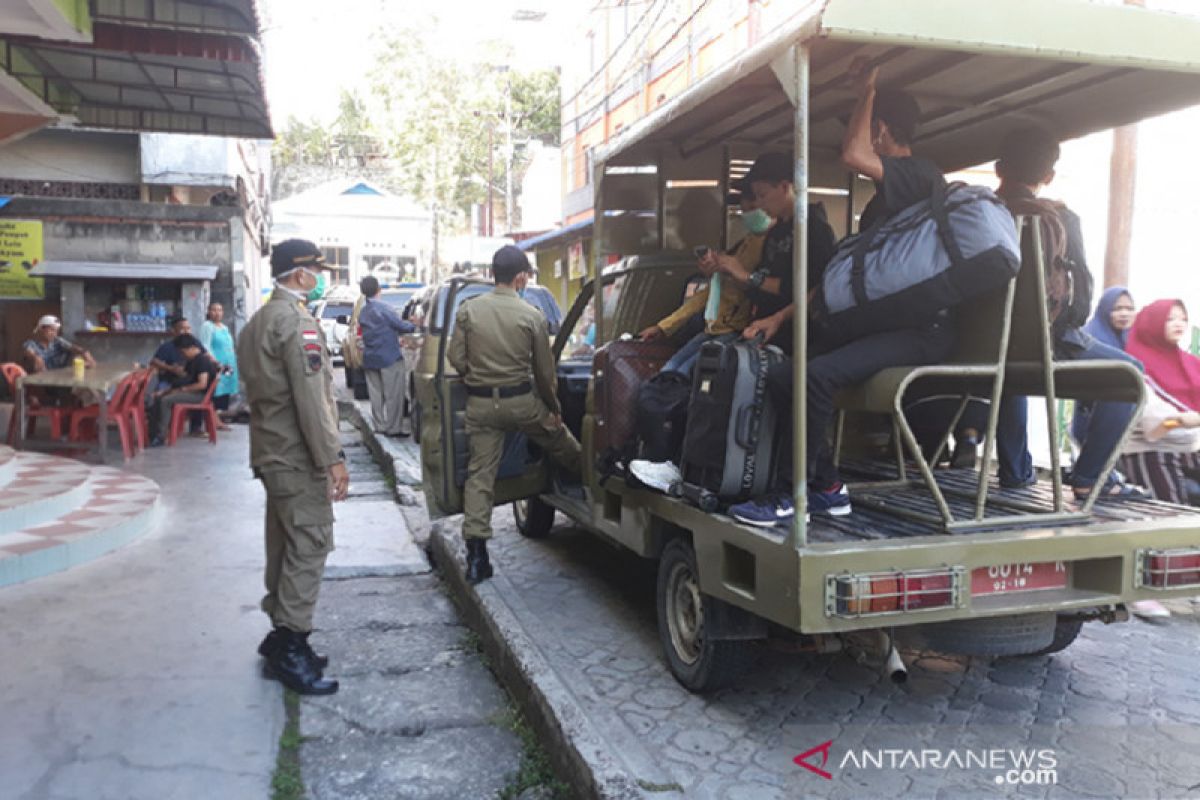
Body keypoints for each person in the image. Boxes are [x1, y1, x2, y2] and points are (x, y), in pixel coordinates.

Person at [730, 65, 953, 526]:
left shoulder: (921, 176)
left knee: (815, 377)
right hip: (886, 325)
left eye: (869, 126)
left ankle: (799, 493)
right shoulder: (880, 205)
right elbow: (840, 280)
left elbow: (853, 153)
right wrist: (782, 317)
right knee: (783, 374)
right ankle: (830, 486)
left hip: (920, 331)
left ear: (881, 130)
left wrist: (867, 89)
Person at [990, 128, 1144, 500]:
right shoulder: (1058, 218)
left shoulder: (979, 212)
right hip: (1043, 345)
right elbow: (1079, 298)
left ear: (998, 168)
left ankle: (1015, 471)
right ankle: (1091, 475)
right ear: (1048, 176)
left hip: (982, 348)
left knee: (1008, 367)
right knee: (1130, 374)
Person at [237, 238, 349, 695]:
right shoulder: (296, 322)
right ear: (300, 274)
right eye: (316, 271)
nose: (319, 277)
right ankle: (291, 643)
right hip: (298, 455)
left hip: (270, 450)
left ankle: (281, 637)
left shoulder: (259, 321)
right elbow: (311, 400)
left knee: (285, 541)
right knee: (311, 542)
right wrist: (332, 459)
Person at [448, 245, 582, 584]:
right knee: (562, 442)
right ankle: (588, 484)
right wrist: (554, 410)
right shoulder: (531, 315)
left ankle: (477, 556)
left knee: (480, 476)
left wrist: (472, 376)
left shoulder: (468, 310)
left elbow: (455, 358)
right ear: (521, 277)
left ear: (494, 274)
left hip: (480, 406)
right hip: (522, 404)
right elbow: (544, 373)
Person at [636, 188, 765, 377]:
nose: (748, 215)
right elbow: (706, 295)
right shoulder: (743, 244)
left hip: (736, 330)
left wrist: (733, 271)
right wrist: (663, 327)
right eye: (744, 210)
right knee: (669, 373)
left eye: (753, 208)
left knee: (682, 376)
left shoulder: (770, 246)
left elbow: (755, 288)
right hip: (715, 329)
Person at [1071, 287, 1136, 443]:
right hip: (1091, 425)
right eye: (1117, 308)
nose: (1124, 314)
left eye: (1129, 309)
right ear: (1105, 309)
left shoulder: (1131, 340)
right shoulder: (1090, 339)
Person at [358, 275, 416, 437]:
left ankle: (380, 425)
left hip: (370, 357)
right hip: (389, 357)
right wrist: (414, 324)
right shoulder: (385, 308)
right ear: (378, 290)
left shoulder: (363, 311)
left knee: (376, 395)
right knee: (393, 395)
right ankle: (393, 427)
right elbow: (401, 326)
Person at [147, 334, 219, 446]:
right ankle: (153, 434)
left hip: (199, 395)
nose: (182, 355)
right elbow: (184, 379)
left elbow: (201, 384)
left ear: (190, 348)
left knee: (165, 401)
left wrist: (182, 389)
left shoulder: (202, 361)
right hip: (191, 392)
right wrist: (166, 391)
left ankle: (160, 436)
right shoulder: (191, 361)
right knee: (158, 398)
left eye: (183, 352)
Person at [200, 302, 238, 429]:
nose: (217, 313)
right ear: (209, 312)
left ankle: (217, 418)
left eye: (220, 310)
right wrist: (215, 362)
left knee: (225, 391)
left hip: (228, 365)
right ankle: (212, 420)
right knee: (216, 390)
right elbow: (205, 346)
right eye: (214, 310)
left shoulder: (224, 327)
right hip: (217, 365)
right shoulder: (207, 326)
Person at [22, 316, 94, 373]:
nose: (54, 334)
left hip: (61, 379)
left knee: (78, 359)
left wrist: (85, 352)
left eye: (56, 331)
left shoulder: (58, 341)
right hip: (42, 383)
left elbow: (73, 348)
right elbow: (28, 352)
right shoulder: (31, 343)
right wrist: (35, 357)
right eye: (51, 330)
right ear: (41, 329)